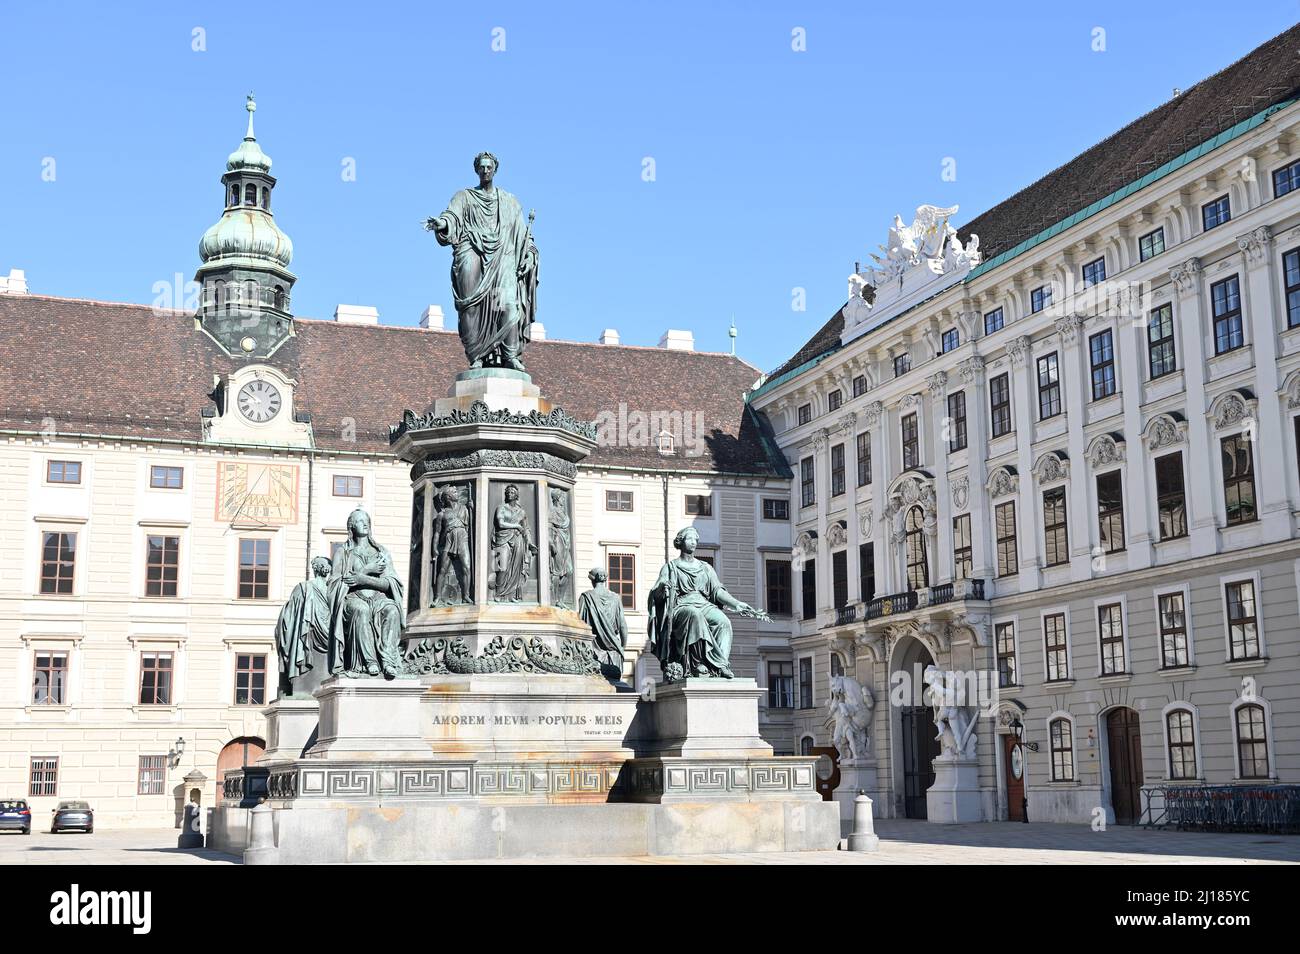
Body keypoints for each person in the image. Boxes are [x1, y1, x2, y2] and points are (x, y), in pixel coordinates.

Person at [424, 152, 539, 370]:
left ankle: (511, 354)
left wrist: (530, 254)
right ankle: (475, 354)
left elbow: (525, 237)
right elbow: (452, 217)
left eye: (489, 167)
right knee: (469, 302)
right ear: (477, 170)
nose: (485, 170)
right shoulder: (464, 197)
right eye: (482, 167)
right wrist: (442, 224)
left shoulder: (510, 202)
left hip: (503, 256)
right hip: (472, 248)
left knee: (507, 304)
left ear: (495, 169)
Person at [647, 527, 768, 680]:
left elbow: (717, 591)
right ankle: (697, 664)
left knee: (723, 621)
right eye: (689, 539)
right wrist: (662, 590)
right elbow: (656, 594)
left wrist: (736, 603)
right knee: (694, 615)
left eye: (695, 540)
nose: (693, 543)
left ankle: (721, 664)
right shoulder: (671, 567)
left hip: (704, 604)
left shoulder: (705, 568)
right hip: (682, 606)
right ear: (680, 541)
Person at [327, 509, 406, 678]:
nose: (365, 524)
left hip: (379, 598)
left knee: (392, 610)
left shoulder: (381, 552)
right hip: (353, 598)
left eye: (367, 521)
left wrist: (363, 578)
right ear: (351, 526)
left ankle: (388, 660)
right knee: (360, 610)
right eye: (359, 521)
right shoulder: (343, 552)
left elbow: (390, 583)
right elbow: (337, 583)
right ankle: (370, 661)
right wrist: (368, 570)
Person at [273, 555, 332, 696]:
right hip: (330, 635)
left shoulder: (303, 587)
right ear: (327, 570)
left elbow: (291, 614)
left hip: (308, 634)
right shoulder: (333, 590)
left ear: (315, 569)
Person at [489, 484, 536, 602]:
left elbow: (526, 529)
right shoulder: (501, 508)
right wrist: (516, 526)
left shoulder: (522, 512)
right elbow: (500, 523)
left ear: (517, 495)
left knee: (516, 569)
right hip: (502, 540)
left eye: (512, 492)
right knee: (503, 568)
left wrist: (530, 543)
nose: (510, 493)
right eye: (508, 492)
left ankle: (511, 595)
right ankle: (499, 593)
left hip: (518, 540)